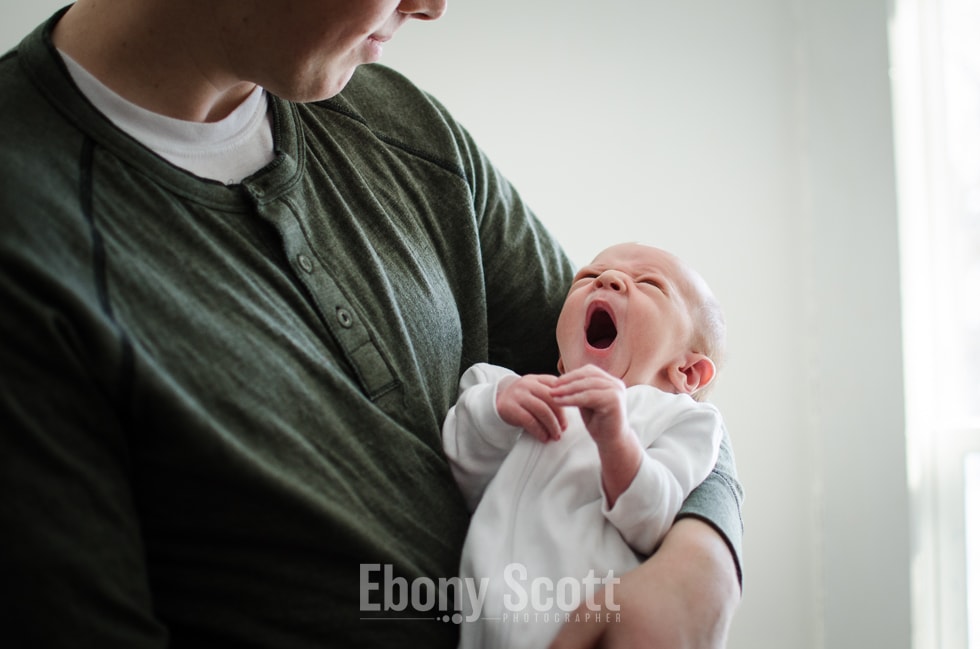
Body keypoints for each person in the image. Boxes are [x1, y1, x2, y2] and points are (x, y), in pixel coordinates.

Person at [0, 2, 743, 648]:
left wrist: (703, 564)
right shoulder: (27, 234)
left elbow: (651, 382)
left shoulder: (406, 130)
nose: (432, 5)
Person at [444, 243, 727, 649]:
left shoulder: (683, 420)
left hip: (586, 627)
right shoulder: (505, 387)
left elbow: (654, 519)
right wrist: (498, 407)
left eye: (649, 284)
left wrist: (616, 441)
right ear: (561, 359)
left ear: (687, 370)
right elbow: (463, 470)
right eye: (589, 277)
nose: (609, 280)